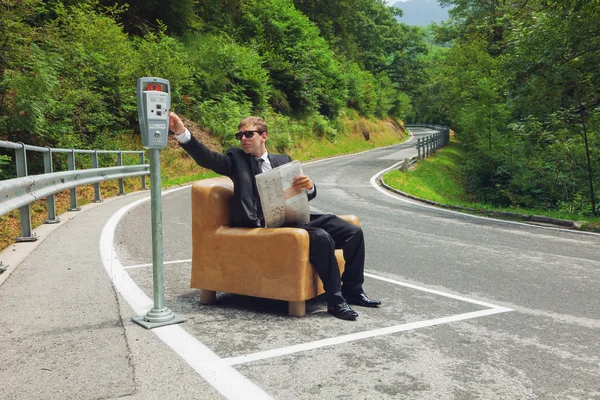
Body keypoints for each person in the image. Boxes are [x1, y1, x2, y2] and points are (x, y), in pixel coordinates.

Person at [169, 112, 381, 320]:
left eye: (248, 134)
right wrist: (182, 133)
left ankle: (353, 290)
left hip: (292, 216)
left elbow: (304, 195)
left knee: (352, 232)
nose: (243, 138)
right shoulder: (236, 159)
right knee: (320, 237)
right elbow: (208, 158)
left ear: (264, 136)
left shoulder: (283, 160)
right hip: (263, 223)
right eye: (240, 135)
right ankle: (335, 301)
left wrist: (309, 187)